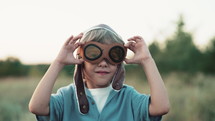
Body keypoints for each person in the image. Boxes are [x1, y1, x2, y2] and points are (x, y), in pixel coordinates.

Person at [29, 24, 170, 121]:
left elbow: (161, 107)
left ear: (119, 63)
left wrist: (147, 60)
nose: (103, 63)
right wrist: (59, 62)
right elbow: (37, 107)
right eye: (93, 53)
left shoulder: (128, 97)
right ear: (81, 59)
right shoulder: (67, 97)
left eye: (113, 55)